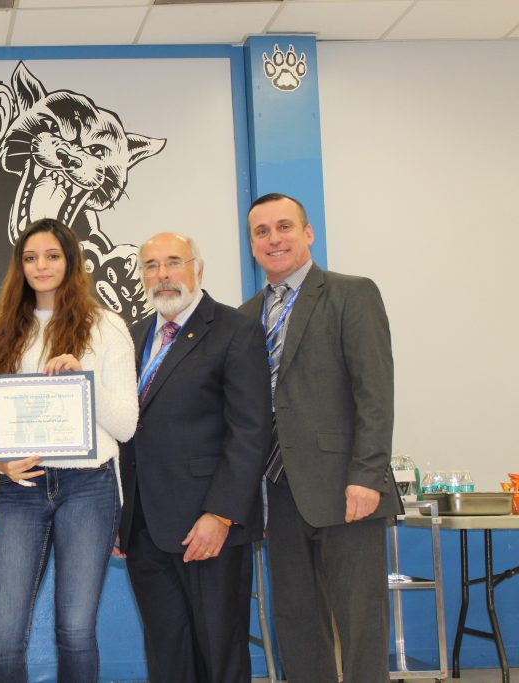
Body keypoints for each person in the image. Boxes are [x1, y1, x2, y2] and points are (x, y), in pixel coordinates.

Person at [240, 193, 398, 682]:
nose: (274, 239)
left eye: (284, 227)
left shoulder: (352, 293)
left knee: (360, 626)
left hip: (347, 490)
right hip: (278, 495)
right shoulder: (244, 317)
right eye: (261, 232)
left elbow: (375, 391)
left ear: (308, 233)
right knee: (296, 625)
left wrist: (367, 476)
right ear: (252, 245)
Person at [0, 218, 138, 683]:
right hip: (22, 485)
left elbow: (127, 426)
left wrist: (80, 385)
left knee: (75, 629)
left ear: (71, 261)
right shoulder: (0, 326)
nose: (40, 266)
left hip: (89, 486)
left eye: (52, 256)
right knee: (2, 634)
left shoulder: (105, 325)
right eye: (30, 258)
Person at [116, 232, 271, 682]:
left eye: (173, 262)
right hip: (145, 527)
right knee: (168, 654)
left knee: (218, 652)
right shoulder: (136, 334)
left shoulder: (235, 329)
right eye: (150, 266)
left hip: (206, 526)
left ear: (197, 269)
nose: (162, 275)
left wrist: (221, 514)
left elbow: (250, 430)